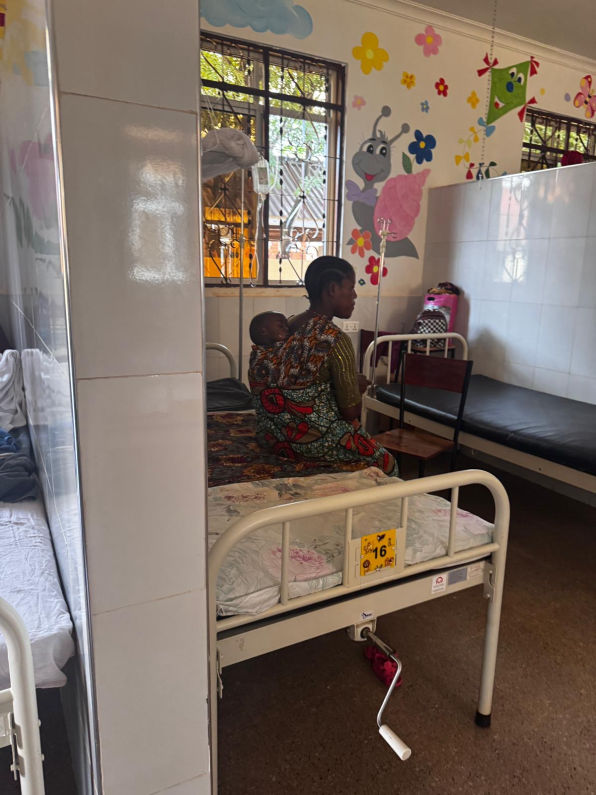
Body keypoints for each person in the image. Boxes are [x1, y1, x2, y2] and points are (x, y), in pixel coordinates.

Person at [248, 256, 398, 475]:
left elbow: (290, 378)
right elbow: (350, 412)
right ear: (332, 289)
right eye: (351, 288)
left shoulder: (286, 326)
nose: (355, 295)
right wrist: (354, 387)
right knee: (388, 464)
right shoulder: (335, 339)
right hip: (313, 444)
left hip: (275, 438)